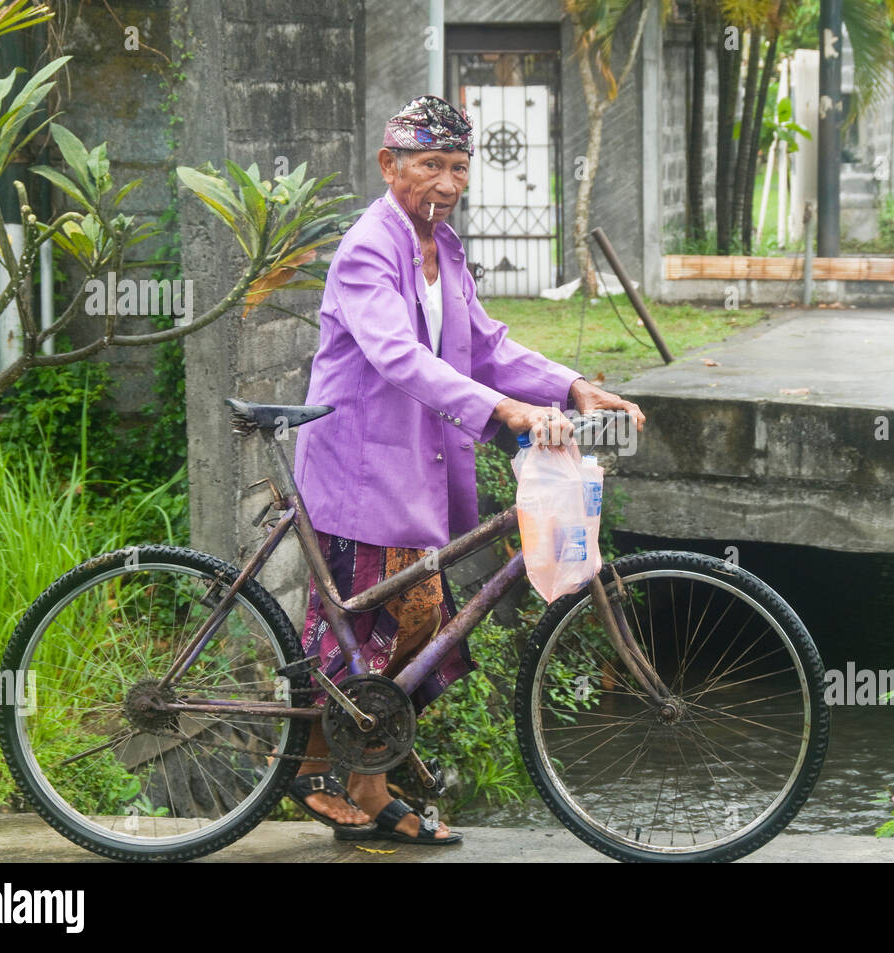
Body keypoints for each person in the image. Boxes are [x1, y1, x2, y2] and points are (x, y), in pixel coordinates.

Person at [288, 94, 645, 845]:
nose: (446, 183)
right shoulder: (367, 248)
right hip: (359, 469)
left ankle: (368, 780)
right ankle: (318, 772)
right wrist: (506, 413)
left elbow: (485, 345)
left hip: (411, 471)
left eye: (458, 167)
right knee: (364, 632)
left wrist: (568, 384)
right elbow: (397, 355)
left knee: (417, 626)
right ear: (389, 166)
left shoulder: (443, 250)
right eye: (429, 166)